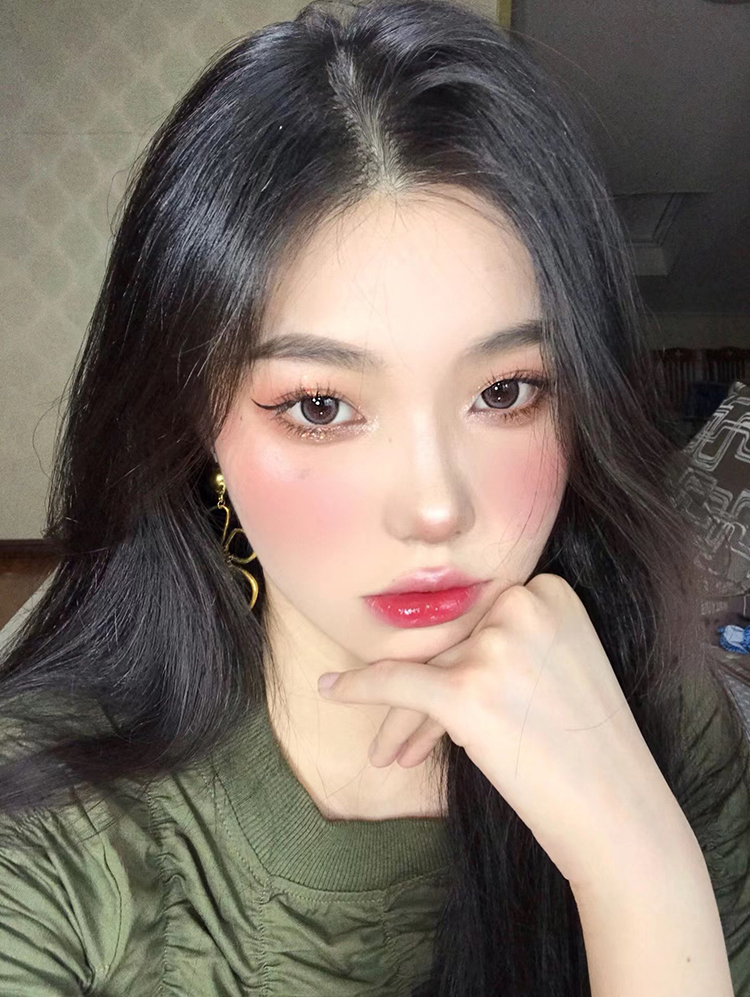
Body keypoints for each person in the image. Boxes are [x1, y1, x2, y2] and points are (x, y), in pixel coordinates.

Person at [1, 0, 749, 994]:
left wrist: (639, 869)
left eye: (505, 392)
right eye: (321, 406)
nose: (437, 508)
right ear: (193, 421)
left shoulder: (660, 706)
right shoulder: (52, 825)